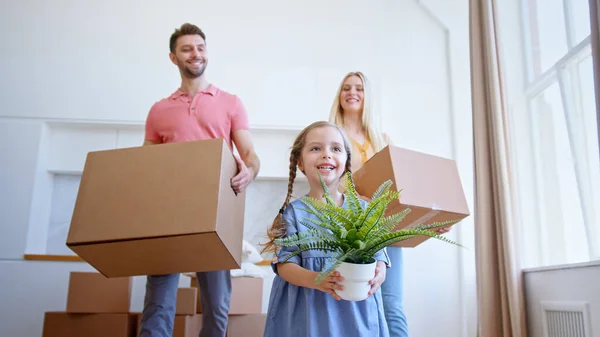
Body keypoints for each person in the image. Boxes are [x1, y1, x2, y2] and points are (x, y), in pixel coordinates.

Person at [139, 23, 260, 337]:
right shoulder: (158, 110)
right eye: (187, 49)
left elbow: (249, 154)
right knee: (158, 303)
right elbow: (145, 163)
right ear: (173, 57)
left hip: (215, 211)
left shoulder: (230, 102)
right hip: (168, 215)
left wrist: (249, 171)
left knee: (216, 304)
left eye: (200, 47)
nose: (195, 54)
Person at [328, 71, 450, 337]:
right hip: (352, 230)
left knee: (391, 303)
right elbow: (330, 181)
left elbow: (402, 189)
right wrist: (356, 199)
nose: (352, 93)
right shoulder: (332, 137)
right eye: (346, 88)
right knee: (354, 303)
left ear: (367, 95)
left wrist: (428, 222)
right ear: (339, 96)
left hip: (386, 230)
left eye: (359, 88)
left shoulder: (382, 139)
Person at [262, 121, 390, 337]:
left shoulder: (363, 211)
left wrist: (380, 273)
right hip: (309, 314)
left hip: (356, 315)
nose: (326, 155)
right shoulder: (292, 214)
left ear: (346, 161)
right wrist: (317, 279)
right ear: (300, 162)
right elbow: (284, 265)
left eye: (336, 149)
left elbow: (379, 256)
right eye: (315, 148)